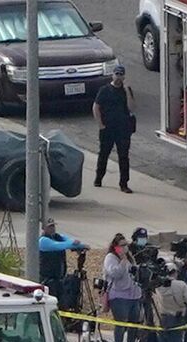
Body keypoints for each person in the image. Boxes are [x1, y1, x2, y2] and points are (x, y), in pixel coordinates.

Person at [101, 234, 144, 342]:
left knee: (134, 324)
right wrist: (123, 260)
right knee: (121, 324)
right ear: (116, 247)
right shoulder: (111, 258)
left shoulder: (130, 257)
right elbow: (115, 274)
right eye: (122, 245)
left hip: (133, 295)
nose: (125, 247)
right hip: (119, 295)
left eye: (126, 245)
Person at [93, 64, 135, 192]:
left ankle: (124, 183)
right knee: (104, 154)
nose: (118, 77)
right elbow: (96, 107)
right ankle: (99, 178)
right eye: (116, 74)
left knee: (123, 156)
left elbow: (131, 108)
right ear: (112, 75)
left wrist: (127, 92)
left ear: (124, 76)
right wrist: (101, 125)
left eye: (121, 75)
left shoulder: (126, 90)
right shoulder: (104, 90)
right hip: (108, 128)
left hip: (123, 129)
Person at [37, 218, 86, 290]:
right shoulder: (43, 241)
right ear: (44, 228)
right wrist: (73, 244)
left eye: (53, 226)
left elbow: (68, 240)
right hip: (47, 278)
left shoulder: (58, 236)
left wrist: (80, 246)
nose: (52, 228)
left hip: (59, 276)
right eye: (50, 227)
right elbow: (60, 245)